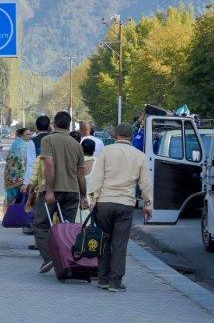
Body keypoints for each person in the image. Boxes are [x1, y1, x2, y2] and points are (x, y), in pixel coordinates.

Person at [89, 123, 153, 292]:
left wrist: (92, 199)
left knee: (104, 241)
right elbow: (146, 183)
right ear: (131, 137)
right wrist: (148, 204)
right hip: (126, 204)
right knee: (119, 244)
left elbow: (97, 177)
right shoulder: (140, 156)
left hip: (104, 202)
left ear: (116, 135)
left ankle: (102, 279)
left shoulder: (106, 152)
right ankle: (115, 282)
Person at [33, 111, 87, 274]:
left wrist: (49, 190)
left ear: (54, 123)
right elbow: (80, 174)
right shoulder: (76, 144)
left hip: (53, 190)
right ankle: (68, 260)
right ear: (69, 125)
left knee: (40, 224)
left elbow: (49, 165)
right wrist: (83, 195)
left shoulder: (47, 140)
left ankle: (49, 258)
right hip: (72, 192)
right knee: (67, 228)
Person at [3, 128, 32, 211]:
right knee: (21, 198)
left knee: (11, 197)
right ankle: (19, 216)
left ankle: (9, 215)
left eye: (30, 134)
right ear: (21, 135)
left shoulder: (14, 143)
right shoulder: (25, 145)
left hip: (10, 177)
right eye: (27, 134)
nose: (29, 136)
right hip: (21, 177)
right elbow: (28, 162)